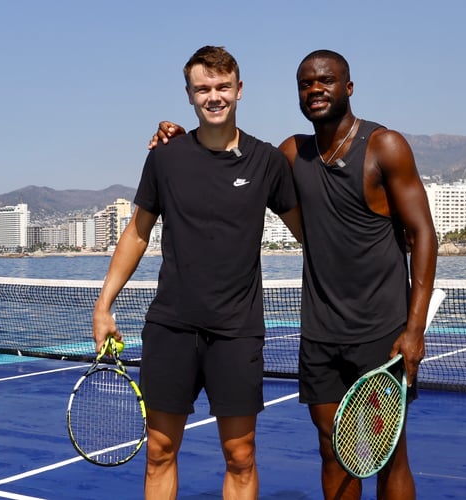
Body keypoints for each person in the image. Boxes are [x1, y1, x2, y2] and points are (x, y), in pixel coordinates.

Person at [151, 49, 438, 500]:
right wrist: (174, 135)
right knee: (334, 448)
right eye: (306, 84)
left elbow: (424, 236)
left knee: (389, 453)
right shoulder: (290, 154)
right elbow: (229, 158)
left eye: (326, 80)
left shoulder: (385, 146)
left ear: (348, 87)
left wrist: (414, 328)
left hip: (381, 332)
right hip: (321, 333)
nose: (316, 89)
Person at [93, 45, 301, 500]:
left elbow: (312, 234)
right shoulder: (165, 157)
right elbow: (136, 233)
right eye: (203, 88)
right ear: (189, 94)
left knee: (241, 457)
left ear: (239, 90)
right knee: (159, 454)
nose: (214, 96)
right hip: (171, 328)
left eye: (222, 86)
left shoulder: (266, 162)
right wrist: (103, 304)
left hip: (237, 332)